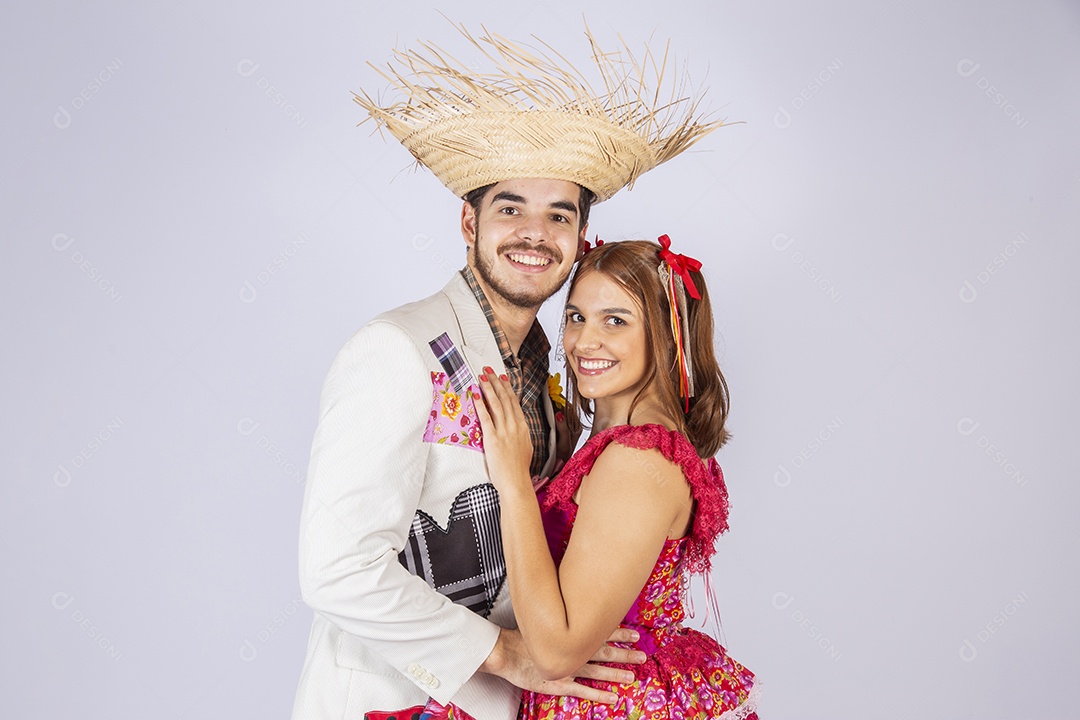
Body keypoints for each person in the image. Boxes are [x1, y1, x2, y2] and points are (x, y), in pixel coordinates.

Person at [291, 25, 731, 720]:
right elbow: (336, 569)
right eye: (509, 209)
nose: (534, 234)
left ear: (577, 238)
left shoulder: (560, 388)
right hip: (393, 702)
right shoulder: (395, 350)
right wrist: (505, 654)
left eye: (557, 215)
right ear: (468, 223)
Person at [475, 238, 760, 719]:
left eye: (616, 320)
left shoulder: (636, 460)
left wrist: (514, 483)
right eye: (575, 316)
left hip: (615, 705)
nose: (584, 342)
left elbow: (556, 653)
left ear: (667, 337)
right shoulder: (623, 444)